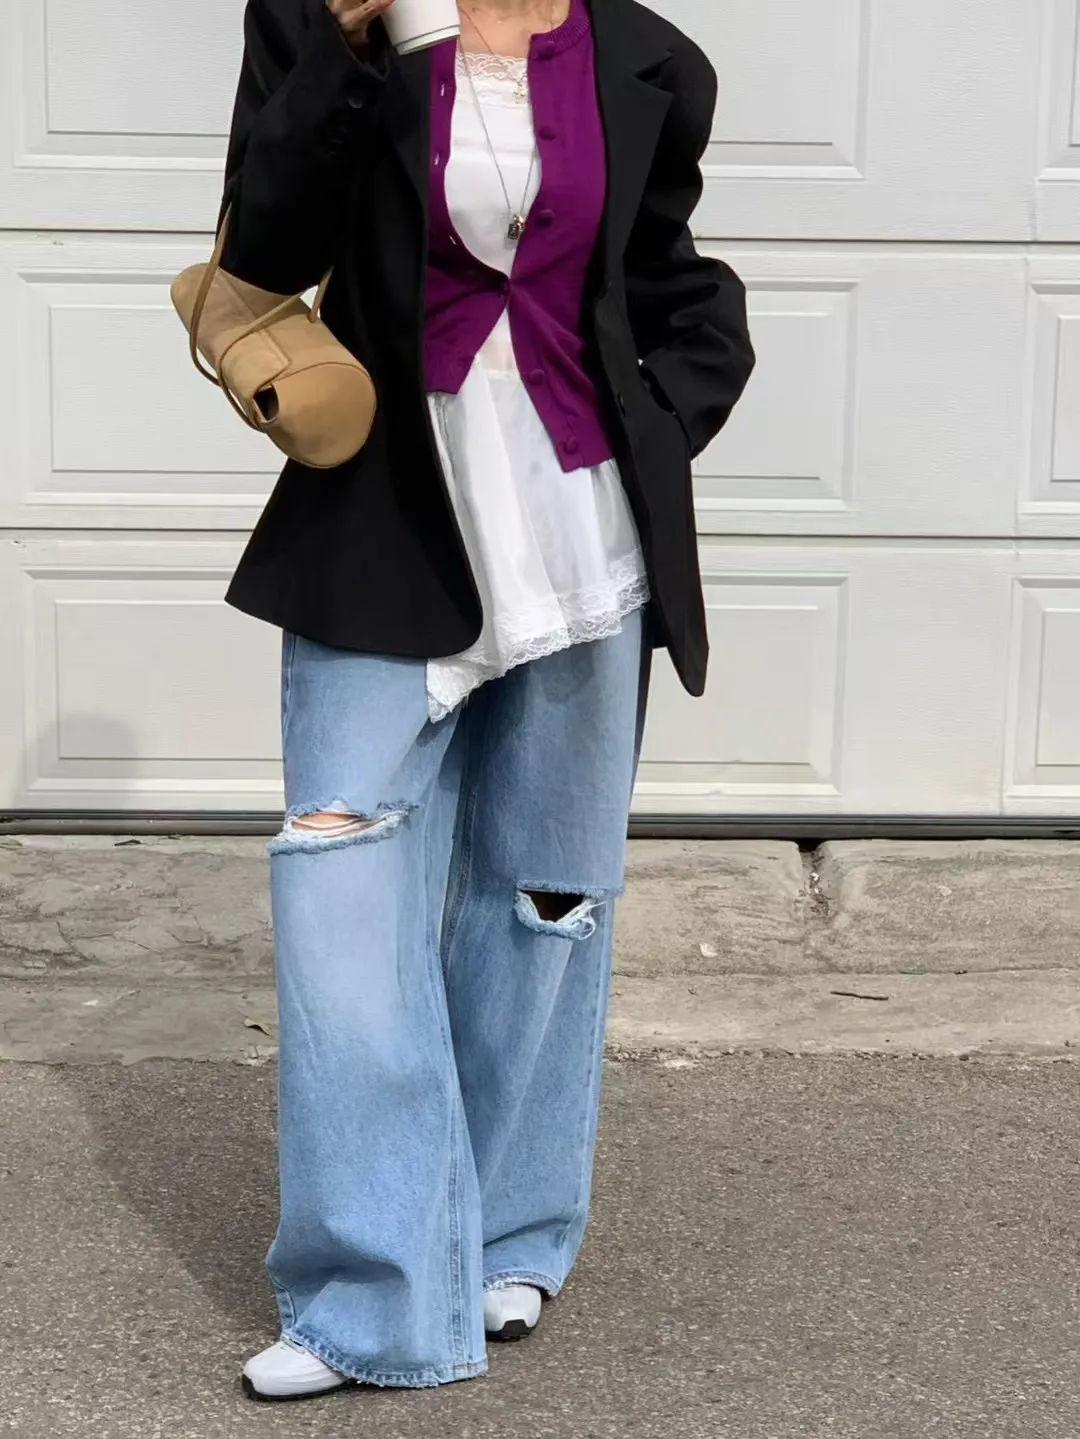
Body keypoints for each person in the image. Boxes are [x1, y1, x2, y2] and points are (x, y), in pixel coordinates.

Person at [217, 0, 754, 1402]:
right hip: (386, 524)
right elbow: (264, 247)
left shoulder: (649, 58)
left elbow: (669, 276)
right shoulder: (324, 21)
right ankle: (367, 1293)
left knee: (543, 896)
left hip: (585, 532)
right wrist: (343, 54)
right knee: (340, 883)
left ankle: (508, 1230)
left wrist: (665, 416)